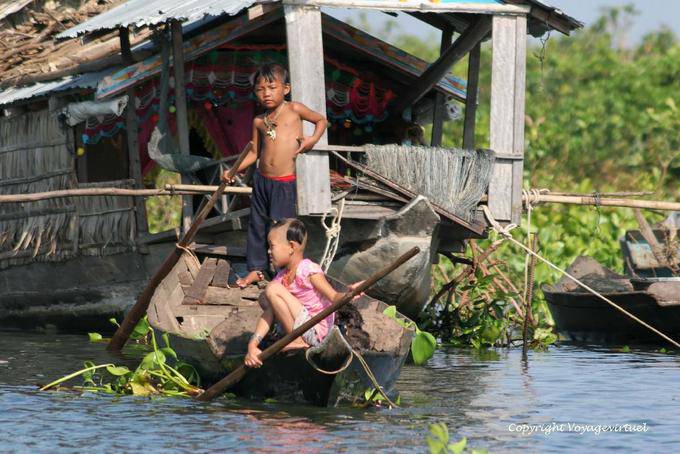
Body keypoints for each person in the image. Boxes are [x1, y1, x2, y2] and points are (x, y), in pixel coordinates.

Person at [222, 63, 328, 288]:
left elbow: (321, 120)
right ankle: (256, 270)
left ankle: (288, 273)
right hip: (261, 180)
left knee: (282, 228)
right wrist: (232, 171)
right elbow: (253, 152)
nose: (266, 93)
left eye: (271, 87)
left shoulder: (295, 110)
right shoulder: (259, 121)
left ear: (286, 89)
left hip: (283, 183)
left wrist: (313, 139)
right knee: (257, 226)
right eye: (260, 89)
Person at [244, 218, 361, 368]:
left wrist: (349, 294)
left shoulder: (308, 270)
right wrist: (252, 346)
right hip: (299, 329)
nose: (268, 251)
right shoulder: (281, 277)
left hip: (316, 333)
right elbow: (268, 312)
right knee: (265, 297)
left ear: (291, 247)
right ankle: (293, 338)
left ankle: (297, 341)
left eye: (272, 246)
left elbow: (333, 297)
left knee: (271, 289)